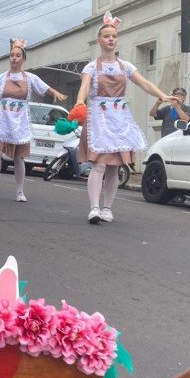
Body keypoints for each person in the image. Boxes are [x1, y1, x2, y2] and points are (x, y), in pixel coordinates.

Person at [74, 12, 173, 224]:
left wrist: (161, 95)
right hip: (98, 120)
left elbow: (144, 83)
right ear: (99, 40)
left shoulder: (125, 66)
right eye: (107, 36)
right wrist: (80, 102)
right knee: (98, 165)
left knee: (113, 167)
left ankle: (107, 208)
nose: (111, 39)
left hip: (119, 119)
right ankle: (94, 208)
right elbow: (84, 86)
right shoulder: (91, 67)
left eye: (114, 36)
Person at [0, 38, 67, 202]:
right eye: (12, 55)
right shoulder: (0, 78)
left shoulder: (30, 78)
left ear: (23, 59)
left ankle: (20, 191)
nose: (14, 58)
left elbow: (45, 88)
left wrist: (56, 93)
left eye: (18, 55)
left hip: (19, 121)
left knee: (19, 158)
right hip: (2, 121)